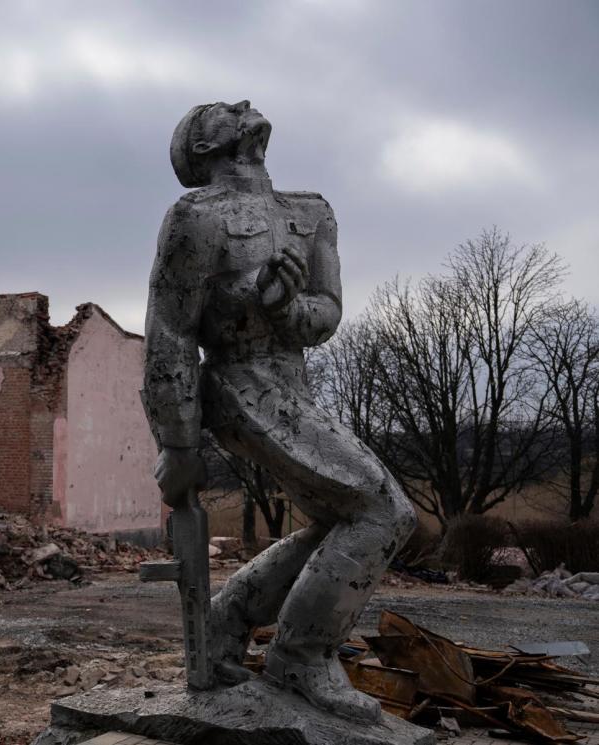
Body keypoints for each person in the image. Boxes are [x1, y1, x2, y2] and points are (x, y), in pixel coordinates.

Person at [142, 100, 417, 723]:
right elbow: (171, 331)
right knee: (383, 509)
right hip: (239, 383)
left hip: (293, 382)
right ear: (201, 152)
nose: (241, 106)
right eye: (217, 112)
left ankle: (226, 622)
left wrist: (286, 308)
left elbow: (326, 312)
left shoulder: (311, 212)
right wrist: (178, 442)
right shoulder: (195, 216)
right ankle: (300, 655)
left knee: (339, 517)